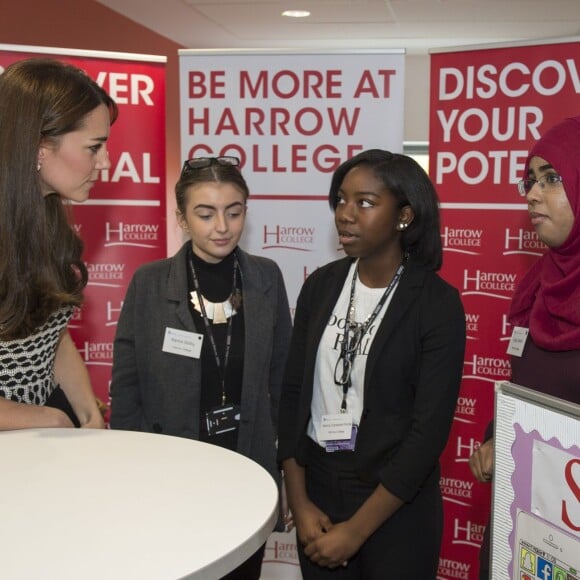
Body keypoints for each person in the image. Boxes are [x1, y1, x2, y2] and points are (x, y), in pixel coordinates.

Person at [277, 149, 466, 579]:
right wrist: (300, 503)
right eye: (341, 200)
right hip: (319, 494)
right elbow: (292, 397)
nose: (345, 214)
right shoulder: (321, 286)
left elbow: (427, 433)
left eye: (364, 203)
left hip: (396, 506)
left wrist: (356, 531)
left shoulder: (436, 304)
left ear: (404, 216)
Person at [109, 155, 292, 579]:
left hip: (248, 465)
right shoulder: (150, 282)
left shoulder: (266, 277)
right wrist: (129, 471)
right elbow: (127, 384)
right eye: (205, 214)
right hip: (170, 471)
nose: (222, 227)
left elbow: (283, 377)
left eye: (234, 211)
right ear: (182, 217)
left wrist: (286, 471)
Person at [469, 115, 580, 580]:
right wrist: (501, 438)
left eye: (551, 178)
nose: (533, 194)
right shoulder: (539, 283)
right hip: (527, 533)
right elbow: (527, 388)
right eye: (530, 180)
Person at [0, 58, 118, 431]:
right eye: (93, 147)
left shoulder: (45, 221)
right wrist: (48, 419)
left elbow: (49, 333)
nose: (106, 162)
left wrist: (89, 414)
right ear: (39, 146)